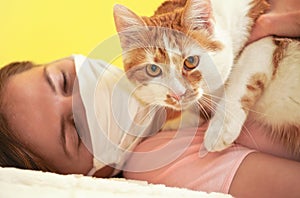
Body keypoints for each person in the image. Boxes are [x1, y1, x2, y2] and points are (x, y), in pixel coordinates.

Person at [1, 0, 300, 197]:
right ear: (89, 173)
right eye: (75, 128)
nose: (83, 98)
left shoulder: (162, 41)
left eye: (64, 82)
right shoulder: (152, 161)